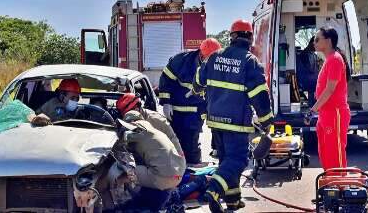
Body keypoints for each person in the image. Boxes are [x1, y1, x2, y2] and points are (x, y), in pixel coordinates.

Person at [192, 19, 274, 212]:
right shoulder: (249, 61)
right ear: (250, 38)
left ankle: (233, 200)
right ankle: (214, 190)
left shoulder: (214, 57)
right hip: (236, 123)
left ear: (232, 37)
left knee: (226, 161)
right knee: (238, 160)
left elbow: (198, 81)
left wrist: (198, 90)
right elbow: (258, 94)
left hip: (215, 121)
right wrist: (266, 119)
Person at [158, 38, 221, 166]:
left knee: (192, 142)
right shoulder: (181, 61)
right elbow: (165, 80)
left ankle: (192, 168)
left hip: (197, 111)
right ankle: (178, 169)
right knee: (175, 143)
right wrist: (166, 102)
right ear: (201, 54)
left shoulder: (218, 64)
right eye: (208, 59)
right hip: (176, 111)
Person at [116, 110, 186, 211]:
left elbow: (122, 147)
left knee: (124, 170)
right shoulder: (151, 128)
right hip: (178, 172)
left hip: (164, 177)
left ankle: (120, 199)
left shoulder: (136, 129)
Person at [308, 27, 351, 171]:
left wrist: (313, 109)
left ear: (328, 41)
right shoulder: (329, 60)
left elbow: (330, 89)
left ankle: (339, 185)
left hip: (335, 113)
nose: (314, 42)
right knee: (325, 151)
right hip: (326, 113)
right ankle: (329, 183)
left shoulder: (335, 60)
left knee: (335, 152)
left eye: (317, 39)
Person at [116, 93, 184, 156]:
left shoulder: (155, 119)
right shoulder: (124, 121)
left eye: (128, 113)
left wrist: (179, 155)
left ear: (137, 108)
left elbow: (171, 137)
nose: (127, 117)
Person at [296, 36, 319, 106]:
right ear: (312, 43)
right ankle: (312, 106)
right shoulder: (304, 54)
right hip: (306, 81)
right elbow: (310, 69)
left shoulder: (314, 55)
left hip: (312, 80)